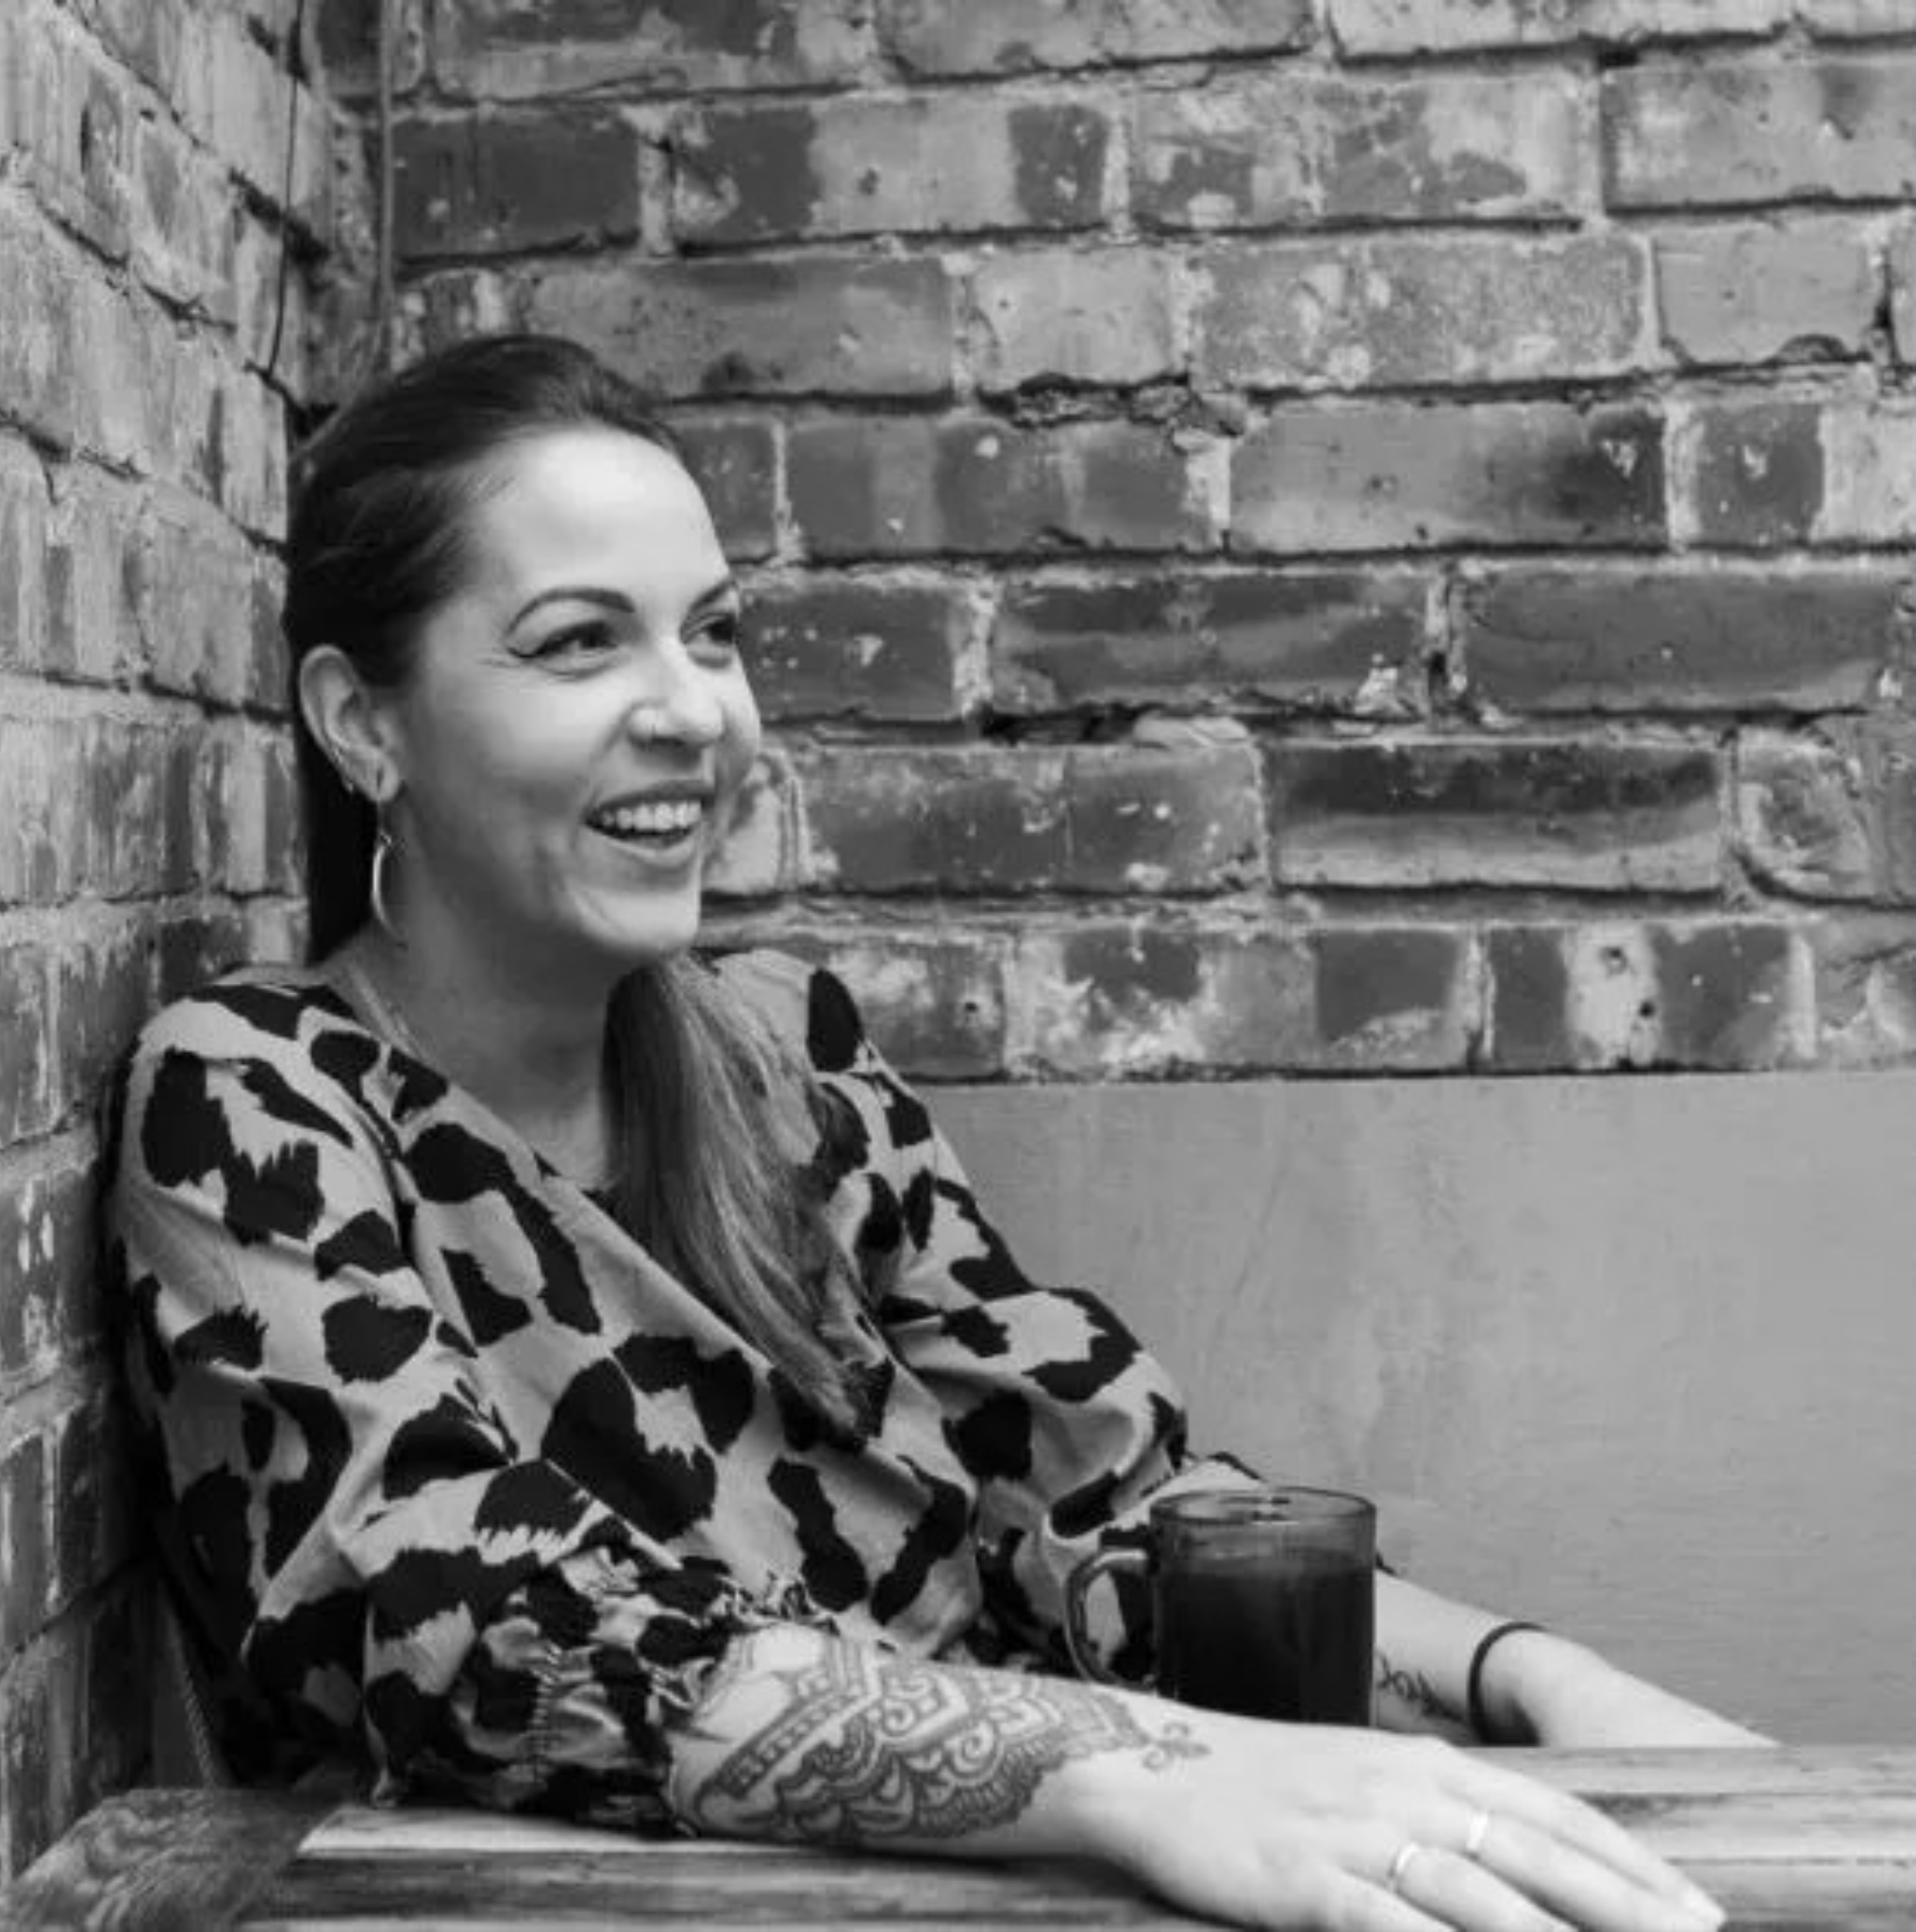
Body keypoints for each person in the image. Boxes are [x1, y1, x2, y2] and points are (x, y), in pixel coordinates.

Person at [107, 333, 1758, 1932]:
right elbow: (484, 1636)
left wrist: (1537, 1683)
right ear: (364, 722)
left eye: (714, 634)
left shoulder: (788, 1060)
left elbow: (1091, 1512)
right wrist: (1145, 1776)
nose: (693, 712)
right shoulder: (256, 1093)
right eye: (580, 642)